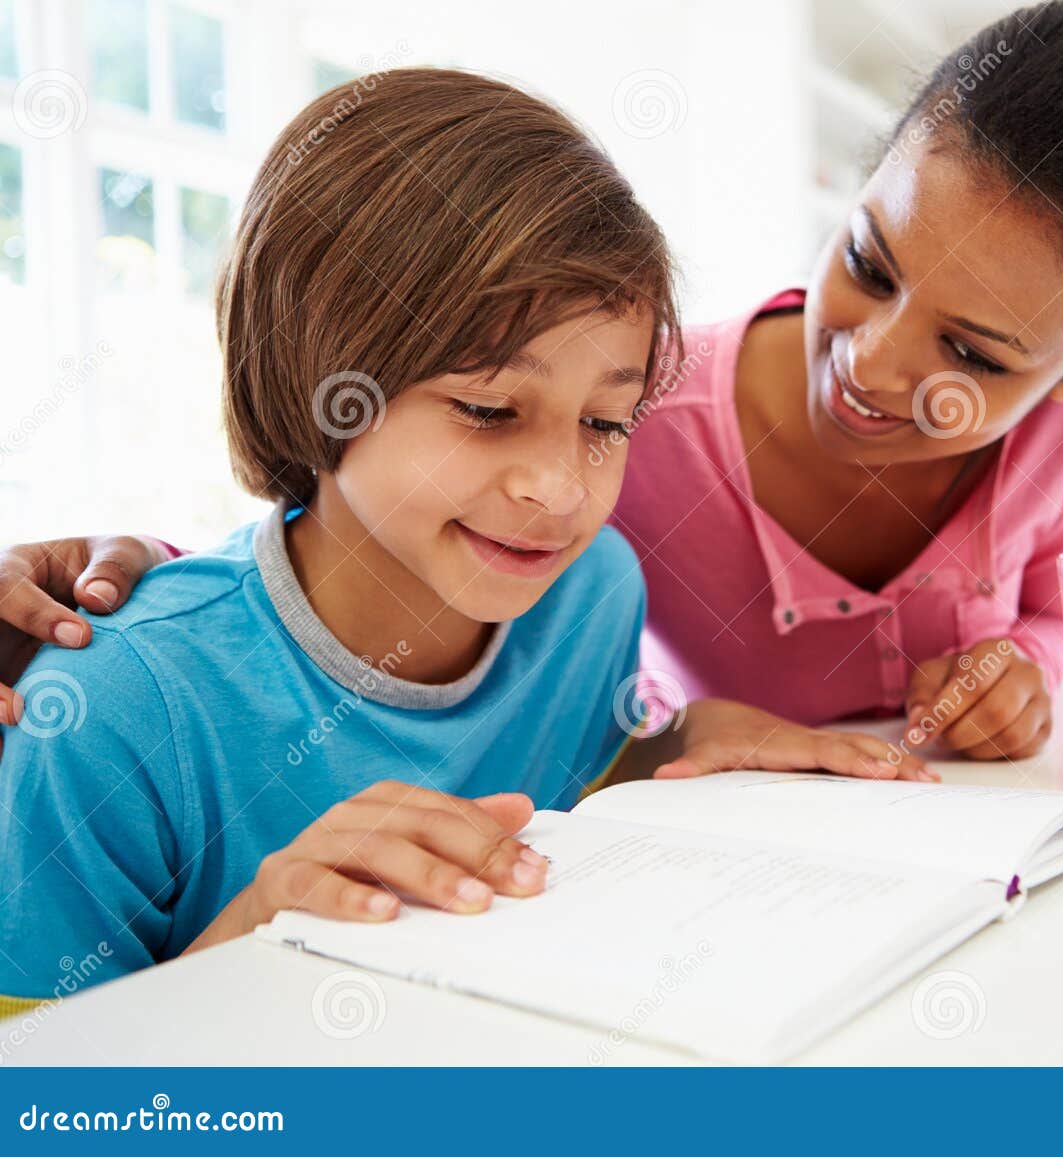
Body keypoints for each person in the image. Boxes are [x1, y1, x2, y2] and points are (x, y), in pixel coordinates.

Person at [0, 1, 1063, 763]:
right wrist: (124, 591)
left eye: (975, 354)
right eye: (866, 261)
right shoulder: (628, 415)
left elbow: (1047, 600)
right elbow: (355, 521)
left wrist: (1021, 664)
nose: (869, 361)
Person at [0, 67, 923, 1010]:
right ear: (318, 379)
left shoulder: (589, 592)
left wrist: (671, 748)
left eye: (606, 422)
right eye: (487, 409)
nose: (560, 487)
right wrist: (249, 947)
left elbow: (559, 791)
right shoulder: (111, 712)